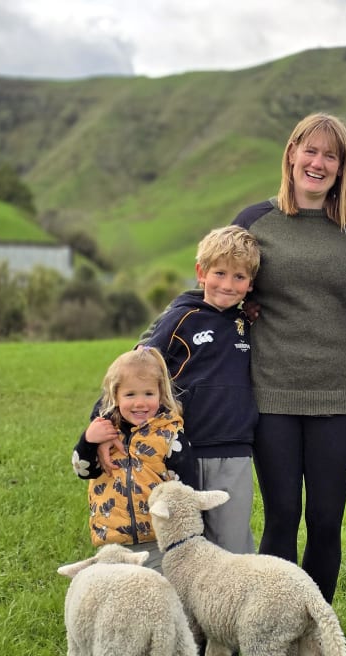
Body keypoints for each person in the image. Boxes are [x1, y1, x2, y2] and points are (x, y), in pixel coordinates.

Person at [231, 112, 346, 604]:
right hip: (272, 393)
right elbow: (216, 288)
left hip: (339, 394)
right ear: (291, 153)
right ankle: (273, 626)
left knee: (327, 521)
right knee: (283, 516)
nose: (319, 162)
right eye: (310, 150)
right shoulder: (254, 221)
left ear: (342, 166)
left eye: (331, 155)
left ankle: (315, 626)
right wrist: (153, 341)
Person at [136, 225, 262, 554]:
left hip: (234, 452)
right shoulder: (180, 318)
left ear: (250, 284)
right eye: (219, 273)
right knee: (182, 546)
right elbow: (138, 367)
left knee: (233, 547)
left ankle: (232, 606)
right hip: (180, 450)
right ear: (201, 273)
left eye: (239, 277)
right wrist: (104, 418)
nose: (228, 284)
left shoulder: (247, 323)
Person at [70, 347, 196, 572]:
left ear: (160, 394)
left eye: (148, 394)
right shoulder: (105, 434)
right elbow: (83, 471)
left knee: (156, 598)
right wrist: (88, 440)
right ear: (115, 396)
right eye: (130, 395)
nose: (140, 403)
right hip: (113, 544)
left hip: (158, 544)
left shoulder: (170, 436)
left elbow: (186, 489)